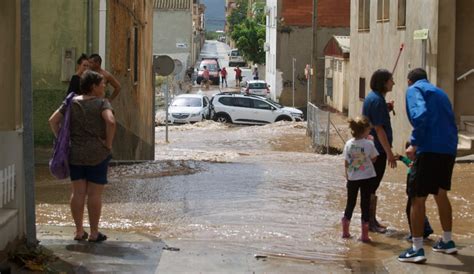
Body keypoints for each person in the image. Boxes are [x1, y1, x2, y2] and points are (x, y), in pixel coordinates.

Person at [398, 68, 458, 263]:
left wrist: (414, 143)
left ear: (409, 81)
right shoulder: (440, 93)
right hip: (448, 149)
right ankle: (447, 242)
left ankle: (416, 248)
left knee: (417, 197)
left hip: (429, 148)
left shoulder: (414, 90)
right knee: (441, 194)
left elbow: (420, 114)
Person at [48, 70, 116, 243]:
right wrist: (108, 144)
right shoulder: (102, 103)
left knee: (77, 192)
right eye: (102, 84)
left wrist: (63, 140)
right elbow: (111, 121)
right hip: (97, 154)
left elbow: (53, 120)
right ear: (93, 87)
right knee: (94, 194)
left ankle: (79, 231)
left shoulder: (71, 102)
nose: (104, 86)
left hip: (75, 152)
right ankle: (94, 233)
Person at [362, 69, 397, 233]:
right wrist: (389, 152)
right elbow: (379, 129)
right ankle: (369, 223)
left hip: (372, 149)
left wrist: (386, 108)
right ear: (384, 82)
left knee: (371, 186)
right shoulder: (377, 101)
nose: (393, 83)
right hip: (377, 151)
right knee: (372, 186)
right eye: (391, 80)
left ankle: (370, 220)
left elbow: (375, 120)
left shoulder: (374, 99)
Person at [341, 116, 379, 243]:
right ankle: (364, 236)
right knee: (365, 205)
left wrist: (348, 176)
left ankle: (345, 232)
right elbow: (374, 158)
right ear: (364, 131)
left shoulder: (348, 144)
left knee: (350, 204)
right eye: (368, 130)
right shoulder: (369, 143)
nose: (369, 132)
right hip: (367, 178)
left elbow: (346, 163)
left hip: (352, 178)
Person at [396, 142, 433, 241]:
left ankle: (415, 233)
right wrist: (400, 158)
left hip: (415, 191)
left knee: (410, 210)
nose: (408, 154)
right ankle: (425, 229)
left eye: (410, 153)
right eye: (406, 152)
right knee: (416, 209)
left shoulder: (418, 164)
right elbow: (408, 162)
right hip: (412, 191)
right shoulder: (414, 163)